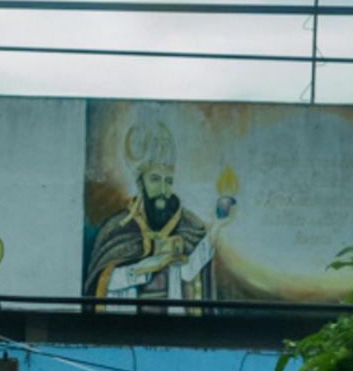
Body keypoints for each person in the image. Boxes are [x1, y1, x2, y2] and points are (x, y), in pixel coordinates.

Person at [84, 121, 238, 307]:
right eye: (155, 179)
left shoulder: (186, 226)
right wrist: (143, 268)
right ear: (140, 184)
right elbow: (103, 282)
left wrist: (217, 227)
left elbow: (188, 272)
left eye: (169, 181)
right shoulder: (118, 228)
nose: (163, 190)